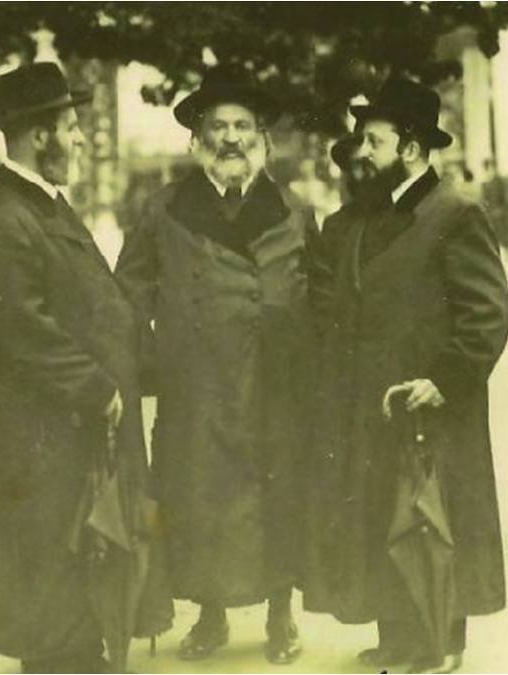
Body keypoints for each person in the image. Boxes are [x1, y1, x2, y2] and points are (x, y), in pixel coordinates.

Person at [303, 77, 508, 673]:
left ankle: (443, 642)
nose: (360, 152)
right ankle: (397, 636)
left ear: (413, 148)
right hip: (368, 404)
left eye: (373, 140)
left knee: (435, 521)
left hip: (433, 402)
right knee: (380, 517)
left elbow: (486, 313)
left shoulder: (456, 212)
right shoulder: (353, 222)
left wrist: (445, 379)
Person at [116, 64, 316, 665]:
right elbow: (129, 291)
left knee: (277, 496)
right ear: (197, 139)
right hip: (196, 389)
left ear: (262, 138)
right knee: (199, 500)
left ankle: (281, 615)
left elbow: (324, 296)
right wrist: (156, 363)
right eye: (218, 126)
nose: (230, 138)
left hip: (274, 383)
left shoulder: (295, 209)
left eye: (242, 126)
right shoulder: (165, 208)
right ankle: (211, 616)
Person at [0, 63, 155, 673]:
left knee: (75, 541)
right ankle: (58, 660)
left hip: (67, 424)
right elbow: (19, 327)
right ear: (38, 135)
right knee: (48, 542)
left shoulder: (43, 207)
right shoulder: (3, 217)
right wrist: (96, 385)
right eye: (69, 128)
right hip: (41, 430)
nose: (77, 139)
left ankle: (75, 650)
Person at [480, 158, 508, 257]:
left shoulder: (500, 181)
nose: (488, 171)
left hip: (502, 212)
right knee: (493, 234)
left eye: (490, 168)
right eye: (486, 169)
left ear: (494, 168)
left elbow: (507, 198)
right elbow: (484, 200)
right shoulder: (485, 184)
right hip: (491, 213)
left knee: (506, 232)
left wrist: (502, 209)